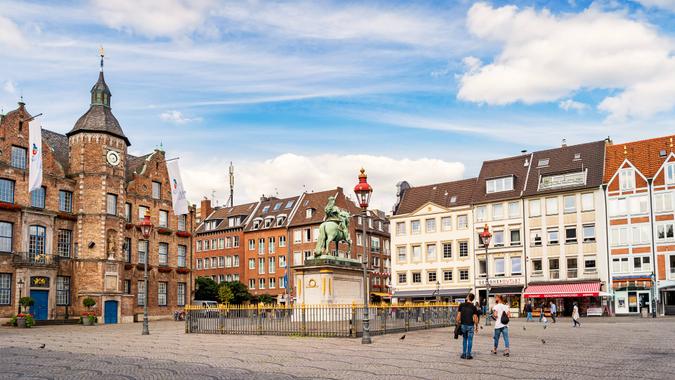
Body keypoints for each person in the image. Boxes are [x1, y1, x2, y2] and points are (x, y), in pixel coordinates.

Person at [456, 293, 479, 360]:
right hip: (471, 325)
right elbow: (475, 318)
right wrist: (476, 326)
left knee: (464, 339)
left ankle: (463, 354)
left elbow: (458, 316)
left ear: (468, 297)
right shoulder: (473, 307)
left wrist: (457, 323)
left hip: (463, 325)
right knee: (470, 340)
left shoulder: (461, 305)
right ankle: (469, 355)